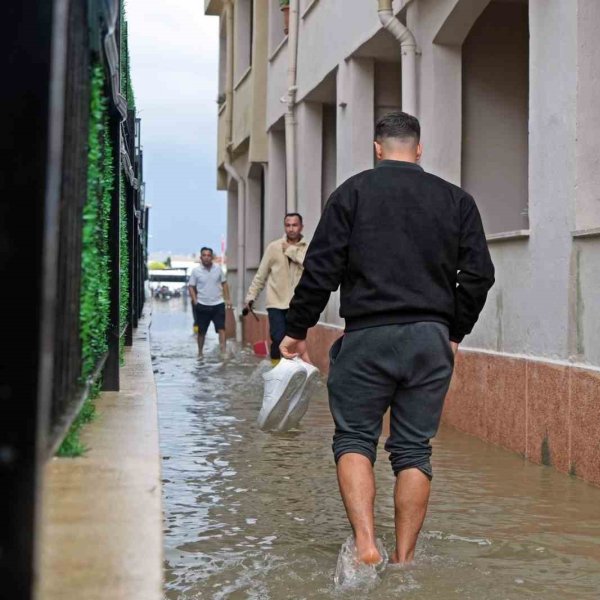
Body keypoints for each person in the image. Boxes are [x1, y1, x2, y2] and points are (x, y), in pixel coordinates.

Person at [279, 112, 495, 566]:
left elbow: (321, 270)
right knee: (414, 449)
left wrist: (297, 329)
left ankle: (365, 544)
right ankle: (403, 558)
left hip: (367, 336)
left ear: (377, 148)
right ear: (419, 149)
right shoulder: (456, 200)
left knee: (354, 439)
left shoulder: (351, 194)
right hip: (429, 339)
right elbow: (478, 275)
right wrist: (454, 332)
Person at [243, 213, 308, 364]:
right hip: (276, 303)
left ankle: (292, 372)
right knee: (278, 339)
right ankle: (275, 370)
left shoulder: (307, 249)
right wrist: (251, 297)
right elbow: (261, 275)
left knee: (295, 341)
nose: (291, 228)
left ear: (301, 227)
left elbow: (310, 265)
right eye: (288, 225)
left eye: (294, 225)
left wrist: (291, 251)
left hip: (298, 303)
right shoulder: (273, 247)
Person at [188, 247, 232, 357]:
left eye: (208, 255)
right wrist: (195, 301)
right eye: (204, 255)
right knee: (201, 332)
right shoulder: (196, 271)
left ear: (212, 257)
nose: (206, 257)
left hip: (218, 304)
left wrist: (227, 299)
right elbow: (191, 286)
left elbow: (224, 284)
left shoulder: (218, 269)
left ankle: (223, 352)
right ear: (201, 257)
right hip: (202, 305)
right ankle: (200, 353)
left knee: (221, 329)